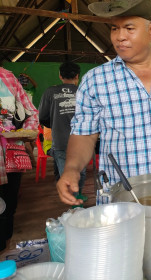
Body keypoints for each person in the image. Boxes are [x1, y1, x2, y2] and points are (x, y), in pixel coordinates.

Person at [56, 0, 151, 206]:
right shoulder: (96, 80)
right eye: (114, 28)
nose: (120, 37)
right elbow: (85, 134)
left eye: (129, 28)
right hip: (123, 202)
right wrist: (72, 169)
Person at [0, 67, 39, 252]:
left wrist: (26, 130)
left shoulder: (7, 77)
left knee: (8, 209)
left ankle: (4, 247)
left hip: (11, 154)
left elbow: (31, 112)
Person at [38, 62, 86, 196]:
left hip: (60, 140)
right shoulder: (83, 92)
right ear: (77, 76)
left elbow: (42, 117)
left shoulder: (50, 92)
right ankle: (76, 200)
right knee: (80, 171)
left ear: (60, 75)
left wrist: (55, 124)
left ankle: (75, 200)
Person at [18, 73, 38, 168]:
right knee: (31, 140)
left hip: (23, 115)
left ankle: (31, 159)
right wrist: (29, 77)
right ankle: (32, 160)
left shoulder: (18, 91)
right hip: (31, 116)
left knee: (27, 141)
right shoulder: (30, 91)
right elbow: (35, 85)